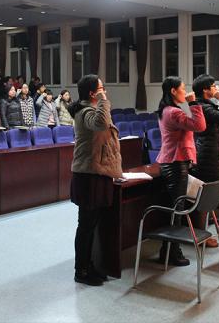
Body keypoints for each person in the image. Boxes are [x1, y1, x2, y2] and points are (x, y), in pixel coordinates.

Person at [68, 74, 122, 286]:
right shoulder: (85, 112)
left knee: (92, 224)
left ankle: (90, 265)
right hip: (88, 174)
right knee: (86, 225)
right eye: (101, 88)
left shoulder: (92, 109)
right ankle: (80, 270)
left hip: (98, 172)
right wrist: (103, 101)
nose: (104, 91)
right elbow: (101, 124)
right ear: (92, 93)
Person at [155, 76, 206, 266]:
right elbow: (199, 125)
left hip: (174, 162)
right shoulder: (173, 112)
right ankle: (171, 252)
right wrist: (193, 104)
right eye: (183, 89)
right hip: (175, 163)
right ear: (173, 91)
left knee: (176, 208)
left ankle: (168, 250)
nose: (185, 92)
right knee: (177, 209)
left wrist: (188, 104)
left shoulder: (168, 110)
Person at [191, 74, 219, 247]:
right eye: (213, 86)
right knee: (205, 196)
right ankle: (201, 236)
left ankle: (203, 233)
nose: (216, 88)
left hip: (213, 151)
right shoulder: (203, 107)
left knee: (209, 195)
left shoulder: (206, 105)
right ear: (205, 90)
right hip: (207, 154)